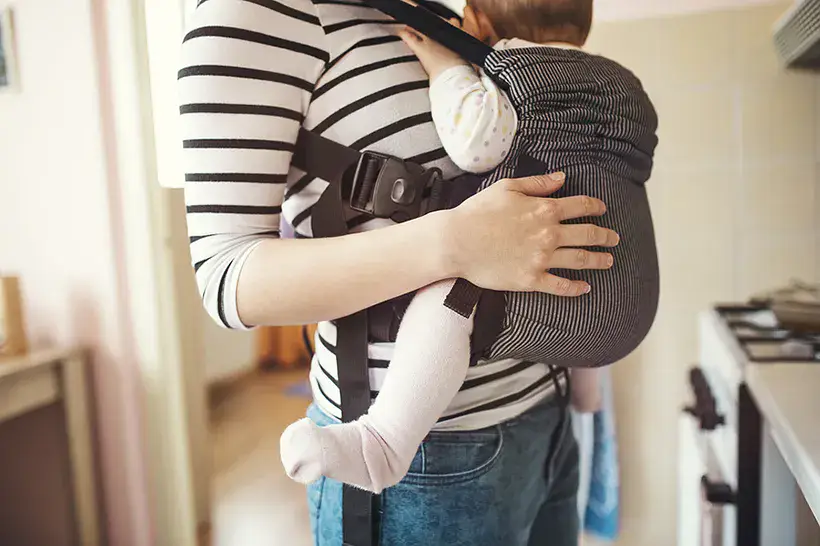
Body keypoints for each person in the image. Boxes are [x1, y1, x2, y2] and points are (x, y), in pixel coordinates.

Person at [178, 0, 623, 544]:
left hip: (547, 417)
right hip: (426, 459)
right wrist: (456, 242)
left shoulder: (434, 13)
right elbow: (226, 277)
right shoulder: (255, 14)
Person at [279, 0, 657, 495]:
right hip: (628, 309)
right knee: (594, 245)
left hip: (522, 318)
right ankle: (585, 388)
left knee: (448, 290)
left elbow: (476, 143)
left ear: (478, 20)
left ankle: (384, 445)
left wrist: (446, 66)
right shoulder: (619, 84)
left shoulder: (520, 71)